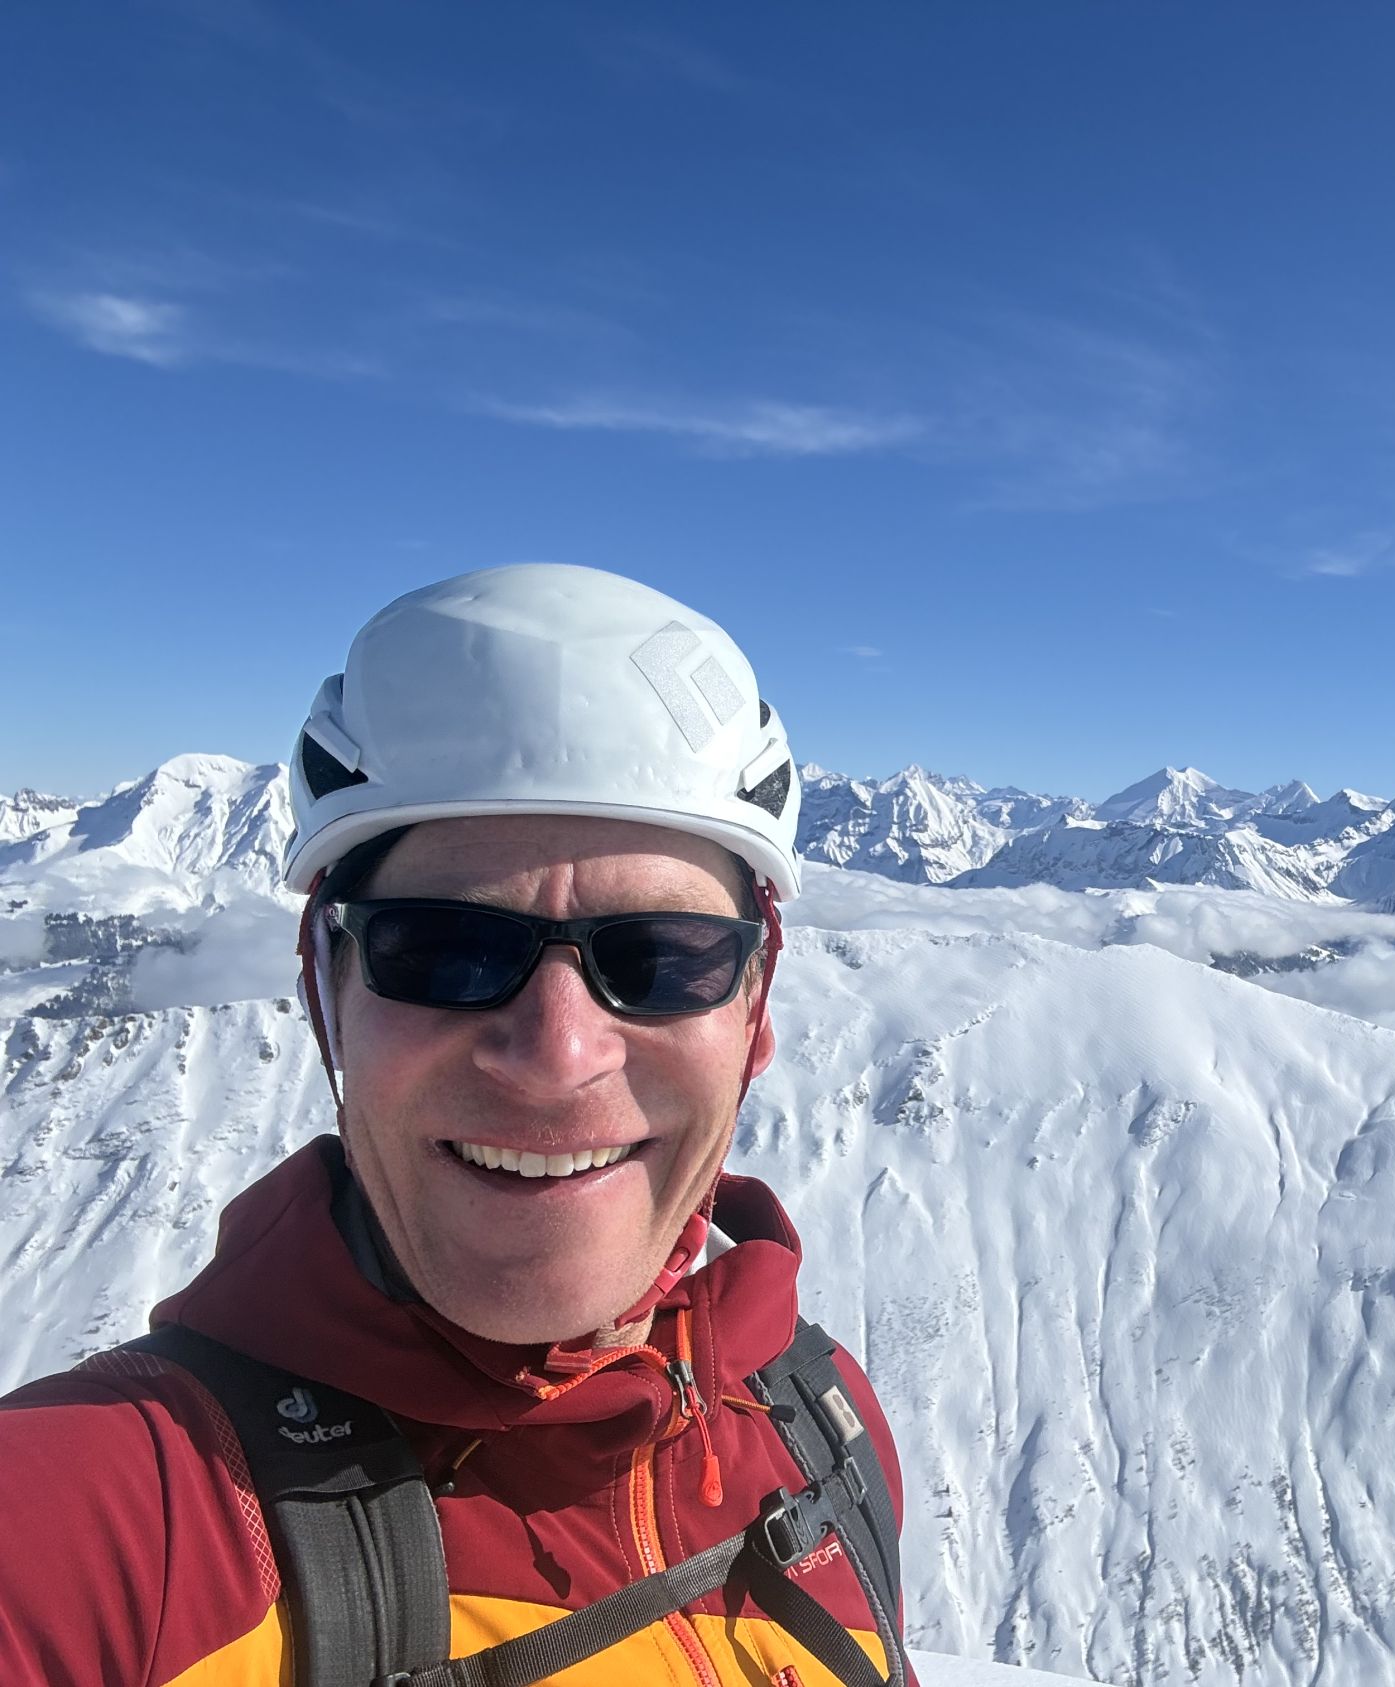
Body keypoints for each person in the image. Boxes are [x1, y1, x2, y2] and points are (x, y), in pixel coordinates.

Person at [0, 564, 913, 1687]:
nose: (558, 1055)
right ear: (326, 995)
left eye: (661, 960)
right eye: (442, 950)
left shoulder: (822, 1427)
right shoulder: (104, 1529)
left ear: (754, 1015)